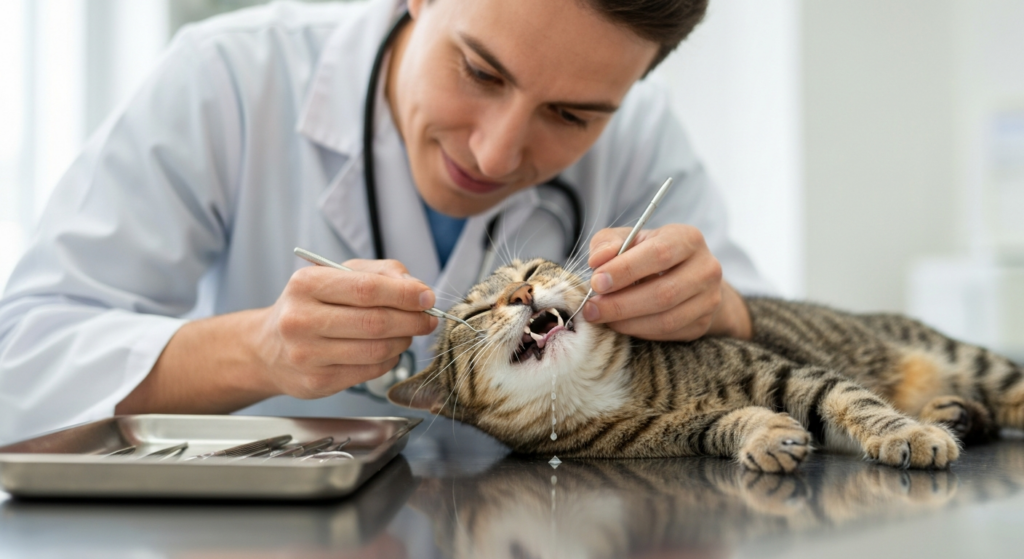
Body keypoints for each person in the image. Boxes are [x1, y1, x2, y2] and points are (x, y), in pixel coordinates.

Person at [0, 0, 772, 444]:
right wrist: (258, 351)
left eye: (570, 115)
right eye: (478, 70)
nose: (495, 152)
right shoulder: (227, 80)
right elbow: (22, 364)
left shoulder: (640, 136)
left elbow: (774, 340)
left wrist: (721, 309)